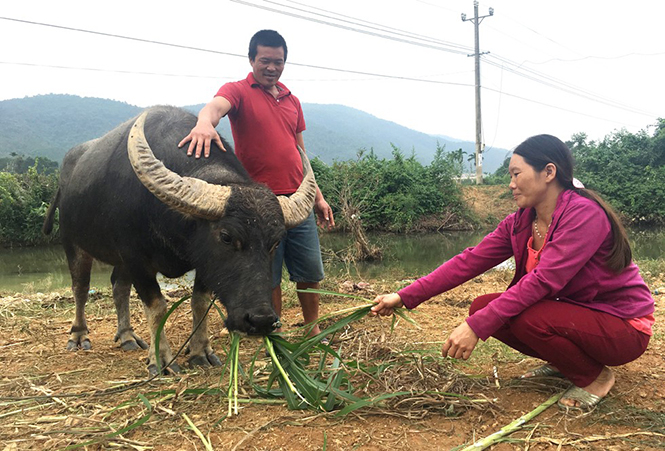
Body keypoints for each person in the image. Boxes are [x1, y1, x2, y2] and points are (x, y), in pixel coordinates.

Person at [371, 134, 655, 411]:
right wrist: (405, 295)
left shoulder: (583, 215)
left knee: (521, 316)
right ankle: (565, 363)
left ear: (548, 172)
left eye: (516, 174)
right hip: (576, 313)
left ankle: (596, 378)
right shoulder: (522, 221)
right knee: (481, 307)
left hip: (623, 327)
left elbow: (543, 281)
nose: (511, 184)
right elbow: (468, 261)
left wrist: (476, 327)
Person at [178, 29, 335, 338]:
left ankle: (312, 326)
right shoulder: (237, 90)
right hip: (257, 206)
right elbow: (216, 107)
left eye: (278, 62)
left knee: (309, 270)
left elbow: (299, 152)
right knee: (266, 272)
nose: (271, 68)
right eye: (265, 60)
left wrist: (316, 196)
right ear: (251, 60)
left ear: (285, 63)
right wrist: (203, 123)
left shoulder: (293, 100)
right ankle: (268, 325)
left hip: (294, 201)